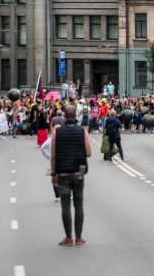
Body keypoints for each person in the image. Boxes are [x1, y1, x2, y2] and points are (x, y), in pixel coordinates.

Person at [51, 104, 92, 246]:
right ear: (76, 116)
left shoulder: (57, 133)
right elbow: (88, 153)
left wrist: (53, 173)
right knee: (79, 205)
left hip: (63, 173)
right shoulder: (82, 132)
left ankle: (68, 237)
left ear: (64, 116)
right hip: (78, 173)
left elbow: (53, 156)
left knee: (65, 205)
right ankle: (79, 237)